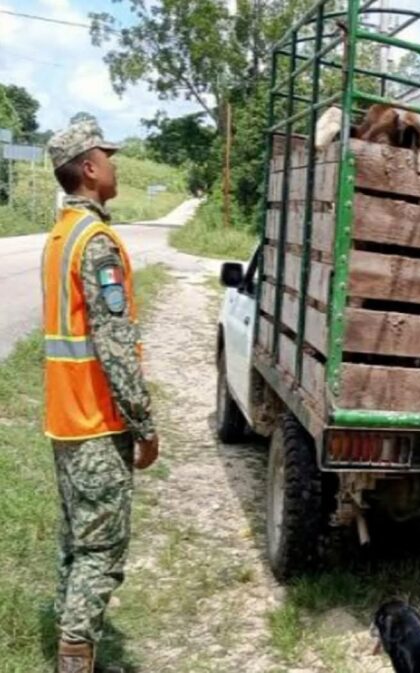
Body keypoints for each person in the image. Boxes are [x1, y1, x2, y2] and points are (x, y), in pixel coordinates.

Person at [43, 120, 160, 673]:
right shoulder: (95, 244)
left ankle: (73, 652)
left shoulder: (61, 236)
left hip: (66, 422)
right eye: (108, 157)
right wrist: (145, 425)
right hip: (96, 424)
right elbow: (114, 347)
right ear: (89, 168)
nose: (116, 165)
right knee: (100, 554)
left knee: (76, 543)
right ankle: (74, 660)